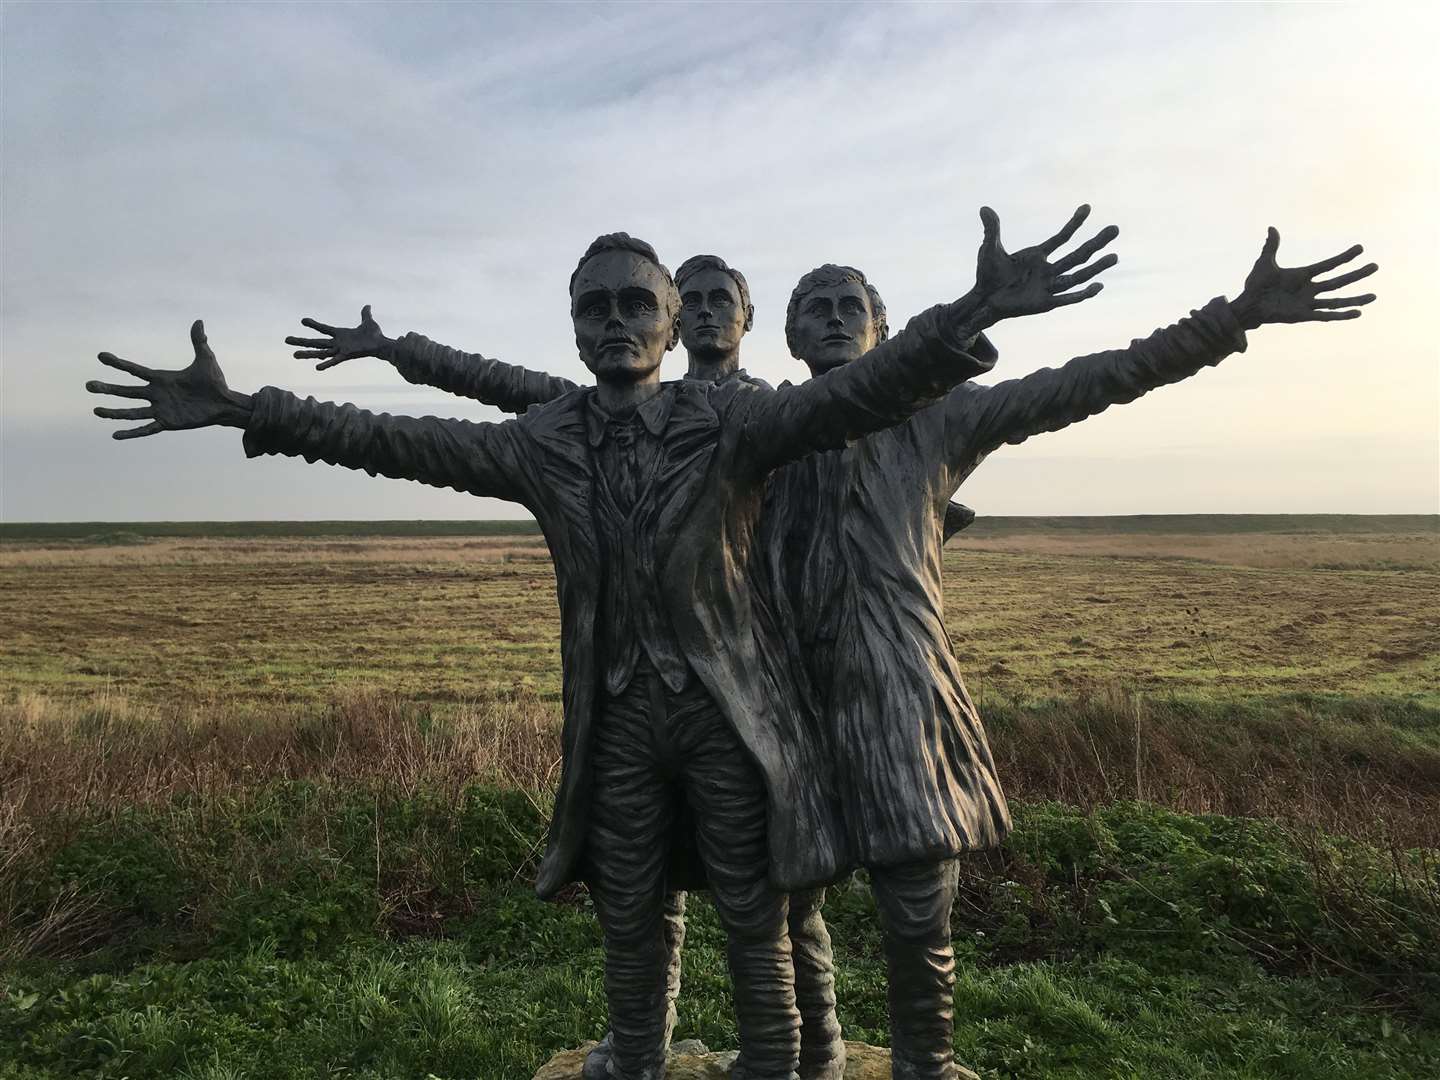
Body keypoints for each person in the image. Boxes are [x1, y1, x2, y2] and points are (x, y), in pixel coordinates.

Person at [88, 212, 1117, 1080]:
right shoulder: (541, 440)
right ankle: (633, 1054)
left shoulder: (731, 427)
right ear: (577, 328)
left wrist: (970, 316)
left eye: (639, 305)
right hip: (618, 716)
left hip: (729, 712)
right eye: (597, 307)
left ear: (673, 326)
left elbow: (858, 393)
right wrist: (243, 408)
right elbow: (398, 441)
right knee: (628, 904)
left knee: (754, 914)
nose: (618, 322)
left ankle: (772, 1065)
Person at [760, 221, 1376, 1080]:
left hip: (897, 688)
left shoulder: (937, 423)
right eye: (814, 310)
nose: (831, 320)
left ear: (881, 328)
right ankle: (815, 1056)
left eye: (848, 307)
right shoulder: (762, 434)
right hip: (786, 693)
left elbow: (1092, 381)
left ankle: (923, 1066)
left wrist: (1230, 319)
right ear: (790, 334)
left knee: (915, 905)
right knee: (789, 897)